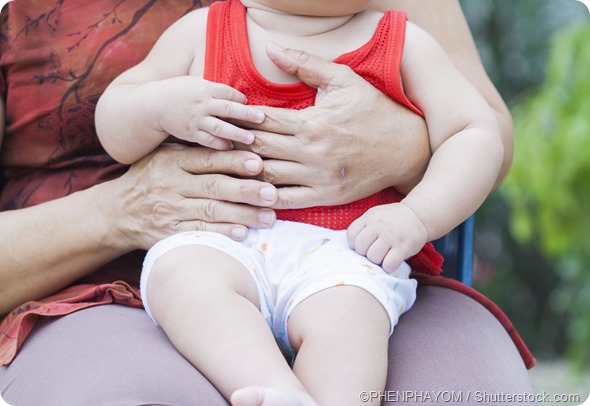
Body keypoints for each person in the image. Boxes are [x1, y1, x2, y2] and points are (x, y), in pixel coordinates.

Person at [0, 1, 535, 405]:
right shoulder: (206, 29)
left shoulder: (401, 39)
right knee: (182, 277)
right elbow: (117, 116)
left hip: (343, 253)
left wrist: (416, 213)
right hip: (224, 241)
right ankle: (276, 391)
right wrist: (159, 108)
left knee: (350, 323)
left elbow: (476, 133)